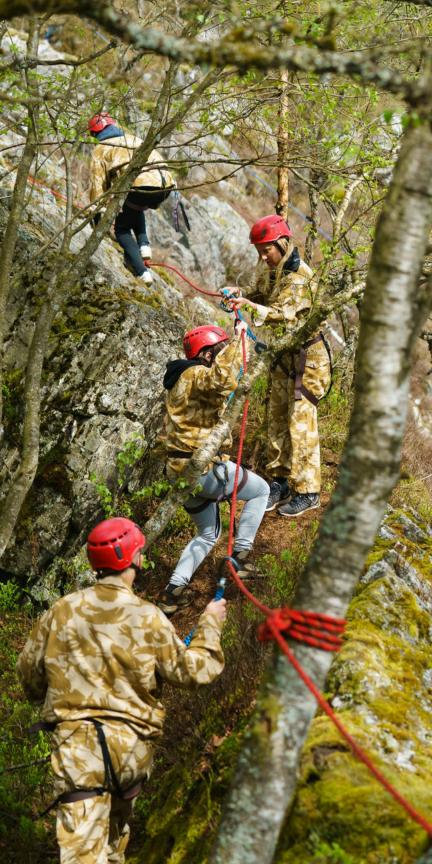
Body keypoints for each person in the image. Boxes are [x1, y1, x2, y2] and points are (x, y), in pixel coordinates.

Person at [16, 517, 226, 864]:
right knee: (112, 850)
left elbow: (29, 675)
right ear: (137, 558)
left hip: (78, 750)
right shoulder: (150, 617)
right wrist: (210, 623)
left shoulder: (62, 611)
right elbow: (195, 671)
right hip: (132, 754)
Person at [158, 321, 270, 615]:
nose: (218, 357)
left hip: (178, 472)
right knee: (261, 490)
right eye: (215, 352)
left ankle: (173, 592)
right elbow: (221, 382)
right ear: (206, 354)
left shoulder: (181, 377)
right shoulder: (195, 374)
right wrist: (236, 341)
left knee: (208, 533)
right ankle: (243, 558)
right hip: (201, 469)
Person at [230, 215, 332, 518]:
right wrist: (239, 296)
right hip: (282, 357)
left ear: (282, 245)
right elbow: (256, 291)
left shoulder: (301, 276)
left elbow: (282, 313)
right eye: (259, 252)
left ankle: (309, 491)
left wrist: (250, 306)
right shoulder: (274, 272)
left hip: (308, 361)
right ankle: (281, 481)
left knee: (300, 423)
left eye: (267, 251)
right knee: (276, 418)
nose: (263, 257)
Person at [88, 113, 175, 285]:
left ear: (94, 133)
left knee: (122, 229)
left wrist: (96, 215)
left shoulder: (102, 148)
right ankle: (143, 245)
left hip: (140, 187)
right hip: (166, 185)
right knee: (133, 209)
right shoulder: (133, 139)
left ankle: (143, 273)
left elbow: (97, 185)